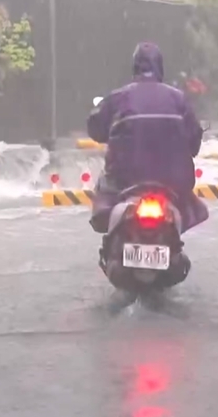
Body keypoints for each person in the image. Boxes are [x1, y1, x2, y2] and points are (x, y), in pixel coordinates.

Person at [86, 42, 210, 269]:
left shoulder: (118, 98)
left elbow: (95, 130)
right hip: (172, 184)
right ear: (160, 67)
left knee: (103, 187)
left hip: (125, 182)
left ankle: (114, 245)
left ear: (135, 67)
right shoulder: (179, 99)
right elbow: (194, 143)